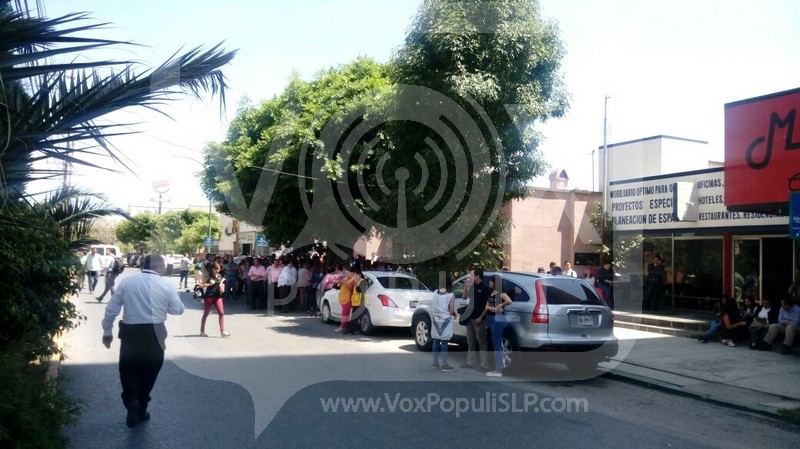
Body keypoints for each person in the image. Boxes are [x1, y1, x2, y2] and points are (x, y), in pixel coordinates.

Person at [101, 254, 184, 428]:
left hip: (131, 333)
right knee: (150, 372)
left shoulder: (127, 282)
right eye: (164, 267)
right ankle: (141, 408)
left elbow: (112, 308)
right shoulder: (166, 285)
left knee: (128, 370)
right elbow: (178, 310)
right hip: (155, 334)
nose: (164, 270)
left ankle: (132, 402)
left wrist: (107, 331)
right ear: (159, 267)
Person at [462, 268, 490, 371]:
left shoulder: (485, 288)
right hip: (470, 318)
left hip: (479, 319)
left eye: (472, 275)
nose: (471, 277)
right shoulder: (473, 287)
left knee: (482, 342)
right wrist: (466, 286)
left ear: (478, 276)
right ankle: (470, 362)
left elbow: (487, 305)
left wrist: (480, 317)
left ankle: (484, 364)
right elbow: (464, 297)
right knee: (470, 341)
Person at [485, 275, 513, 377]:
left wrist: (500, 305)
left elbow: (509, 301)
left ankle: (498, 370)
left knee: (498, 344)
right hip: (491, 318)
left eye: (491, 281)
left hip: (498, 318)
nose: (489, 283)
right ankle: (497, 368)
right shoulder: (491, 293)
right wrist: (490, 308)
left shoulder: (501, 293)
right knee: (496, 343)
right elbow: (487, 306)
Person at [431, 275, 455, 372]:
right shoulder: (451, 295)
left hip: (436, 320)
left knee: (436, 341)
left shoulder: (435, 292)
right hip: (445, 320)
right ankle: (444, 364)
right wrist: (455, 314)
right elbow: (451, 310)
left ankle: (435, 363)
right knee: (444, 342)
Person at [199, 262, 230, 338]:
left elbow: (222, 286)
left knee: (221, 313)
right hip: (209, 296)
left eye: (219, 268)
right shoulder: (208, 276)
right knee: (206, 313)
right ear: (212, 269)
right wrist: (209, 284)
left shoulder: (220, 276)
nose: (218, 270)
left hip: (218, 296)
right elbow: (200, 285)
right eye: (216, 268)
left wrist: (222, 289)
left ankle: (222, 332)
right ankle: (202, 331)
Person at [335, 267, 355, 334]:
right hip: (343, 298)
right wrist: (340, 282)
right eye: (345, 273)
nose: (346, 274)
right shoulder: (346, 278)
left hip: (348, 298)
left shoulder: (353, 279)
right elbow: (341, 286)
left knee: (345, 313)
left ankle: (342, 326)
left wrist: (344, 282)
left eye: (348, 273)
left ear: (352, 273)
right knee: (344, 313)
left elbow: (351, 287)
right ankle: (344, 326)